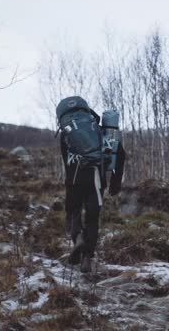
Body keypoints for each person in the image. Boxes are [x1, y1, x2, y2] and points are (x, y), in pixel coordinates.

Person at [59, 110, 105, 273]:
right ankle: (87, 257)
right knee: (92, 219)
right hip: (95, 181)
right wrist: (114, 182)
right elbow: (118, 153)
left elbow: (65, 158)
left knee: (73, 213)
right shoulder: (98, 130)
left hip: (73, 179)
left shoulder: (66, 133)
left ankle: (78, 237)